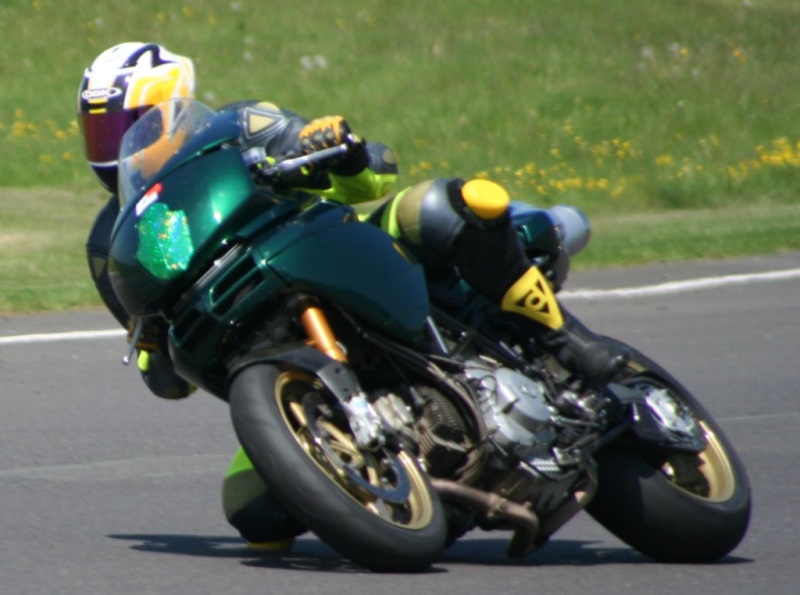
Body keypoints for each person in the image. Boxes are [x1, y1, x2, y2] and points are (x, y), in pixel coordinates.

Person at [79, 42, 628, 552]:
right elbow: (163, 375)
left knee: (433, 207)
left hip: (337, 257)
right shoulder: (111, 244)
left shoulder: (240, 126)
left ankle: (570, 342)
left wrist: (336, 152)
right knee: (254, 513)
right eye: (101, 132)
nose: (114, 144)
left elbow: (374, 178)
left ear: (176, 106)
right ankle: (406, 479)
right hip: (270, 356)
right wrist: (151, 346)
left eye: (127, 125)